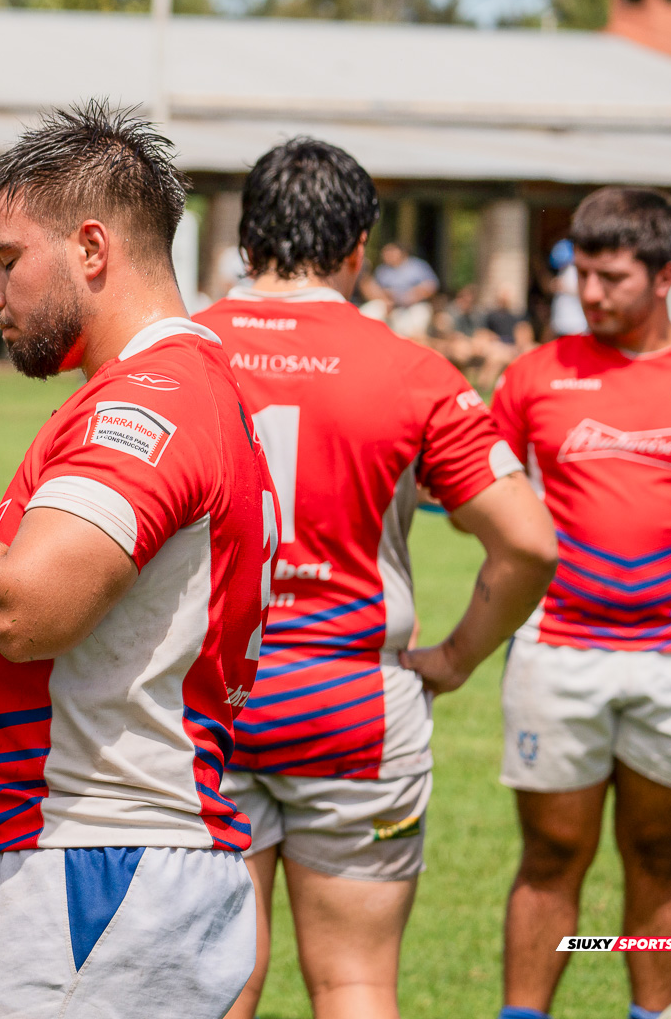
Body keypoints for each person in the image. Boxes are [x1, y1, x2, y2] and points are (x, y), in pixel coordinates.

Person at [0, 102, 275, 1019]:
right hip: (80, 853)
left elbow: (27, 612)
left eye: (7, 261)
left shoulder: (151, 400)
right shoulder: (176, 388)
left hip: (90, 859)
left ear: (92, 247)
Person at [192, 139, 558, 1019]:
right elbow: (530, 545)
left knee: (214, 983)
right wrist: (461, 657)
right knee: (355, 984)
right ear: (361, 249)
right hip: (352, 701)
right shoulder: (410, 369)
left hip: (203, 699)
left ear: (245, 243)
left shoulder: (173, 350)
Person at [489, 187, 671, 1019]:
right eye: (580, 273)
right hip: (559, 655)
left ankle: (650, 1012)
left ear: (667, 275)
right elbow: (488, 505)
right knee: (552, 857)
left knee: (659, 857)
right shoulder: (532, 376)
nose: (589, 294)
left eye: (612, 277)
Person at [369, 242, 439, 340]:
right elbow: (374, 289)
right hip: (392, 308)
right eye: (386, 252)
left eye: (391, 251)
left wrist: (413, 295)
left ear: (401, 252)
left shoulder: (417, 266)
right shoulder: (382, 270)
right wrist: (385, 299)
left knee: (417, 320)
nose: (388, 255)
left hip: (415, 306)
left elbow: (431, 286)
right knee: (372, 310)